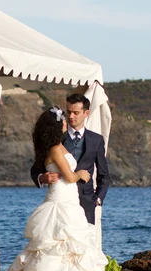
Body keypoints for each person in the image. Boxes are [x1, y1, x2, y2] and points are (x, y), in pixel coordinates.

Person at [2, 106, 109, 271]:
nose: (68, 120)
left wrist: (97, 197)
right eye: (64, 117)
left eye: (73, 114)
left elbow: (103, 173)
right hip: (61, 203)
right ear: (57, 125)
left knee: (70, 253)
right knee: (57, 251)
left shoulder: (69, 144)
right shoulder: (55, 148)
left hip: (73, 203)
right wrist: (78, 174)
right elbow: (68, 176)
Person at [30, 94, 110, 224]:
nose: (71, 116)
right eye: (69, 112)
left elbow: (104, 174)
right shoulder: (55, 138)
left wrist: (97, 200)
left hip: (87, 203)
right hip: (62, 201)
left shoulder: (97, 140)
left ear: (86, 113)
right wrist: (42, 178)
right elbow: (35, 168)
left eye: (76, 113)